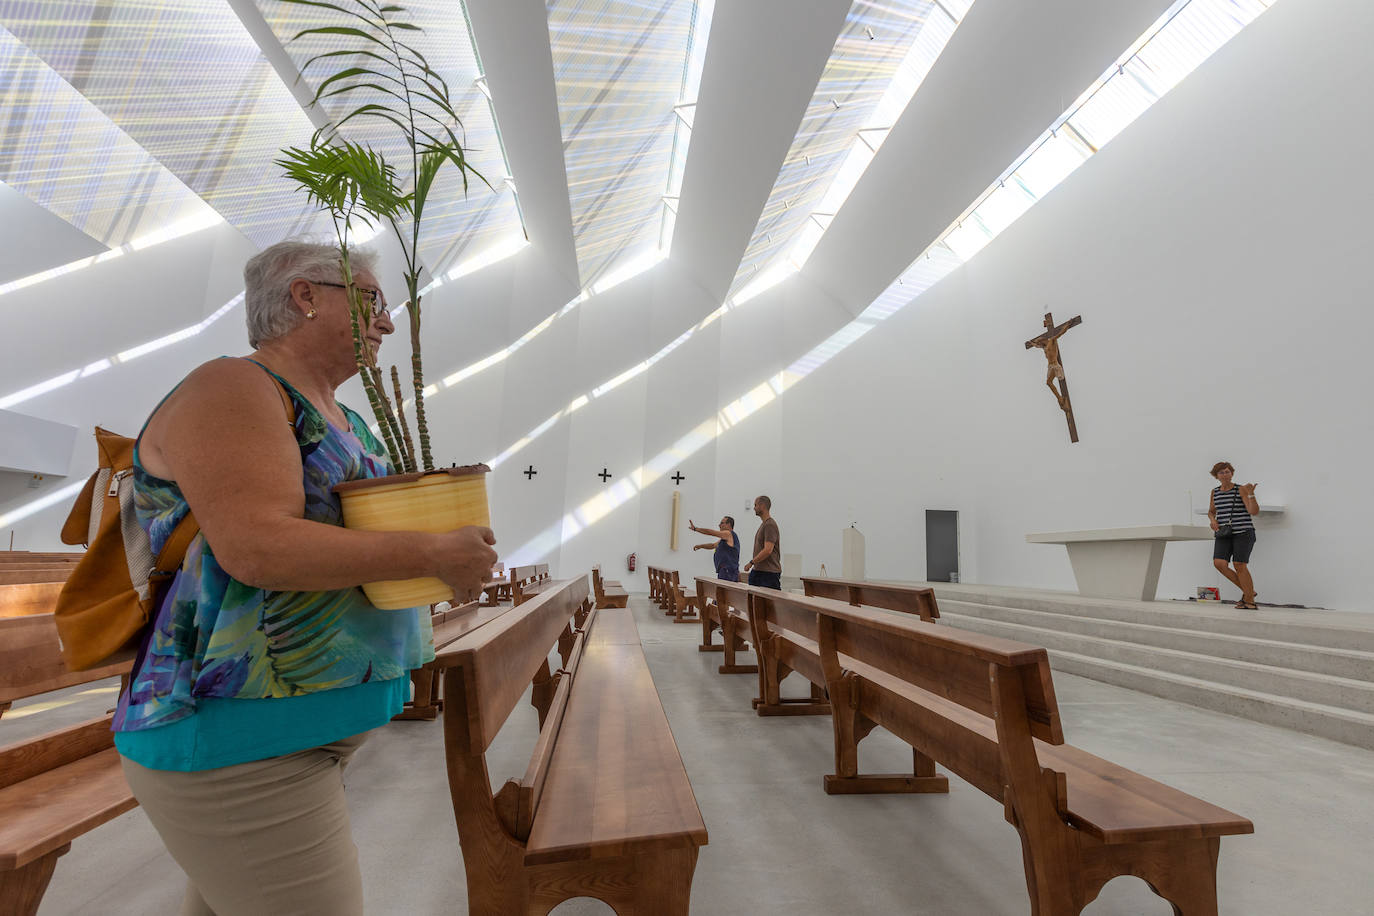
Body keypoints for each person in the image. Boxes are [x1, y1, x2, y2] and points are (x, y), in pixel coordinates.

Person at [112, 240, 498, 916]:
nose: (387, 322)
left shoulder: (347, 419)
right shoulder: (233, 386)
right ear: (305, 295)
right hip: (240, 743)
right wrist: (432, 552)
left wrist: (448, 553)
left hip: (299, 737)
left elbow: (357, 550)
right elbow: (257, 549)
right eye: (374, 301)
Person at [1207, 460, 1260, 609]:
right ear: (1216, 476)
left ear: (1232, 473)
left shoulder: (1241, 489)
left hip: (1243, 532)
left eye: (1227, 471)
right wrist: (1212, 520)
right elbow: (1211, 511)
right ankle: (1249, 592)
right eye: (1221, 472)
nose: (1225, 474)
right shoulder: (1215, 492)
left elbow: (1253, 511)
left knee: (1239, 564)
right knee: (1219, 563)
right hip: (1224, 533)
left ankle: (1249, 600)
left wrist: (1251, 494)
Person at [742, 495, 782, 590]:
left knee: (768, 604)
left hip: (768, 573)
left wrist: (751, 562)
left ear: (762, 506)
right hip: (759, 571)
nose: (754, 508)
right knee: (752, 602)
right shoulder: (764, 524)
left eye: (756, 505)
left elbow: (768, 550)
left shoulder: (770, 525)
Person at [689, 515, 739, 581]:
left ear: (728, 525)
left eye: (721, 523)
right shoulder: (724, 539)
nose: (719, 525)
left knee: (723, 591)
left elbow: (711, 532)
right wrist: (701, 546)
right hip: (724, 571)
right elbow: (713, 545)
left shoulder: (728, 534)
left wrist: (696, 529)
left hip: (728, 571)